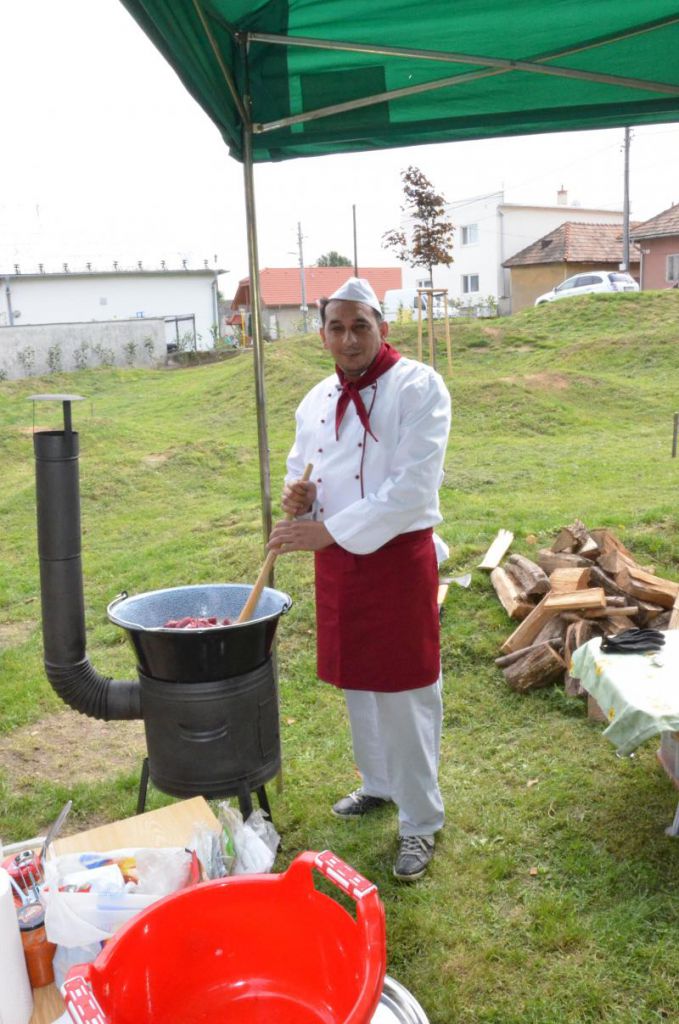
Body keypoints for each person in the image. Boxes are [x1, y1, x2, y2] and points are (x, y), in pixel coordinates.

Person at [267, 276, 451, 881]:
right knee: (359, 685)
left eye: (360, 326)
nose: (349, 339)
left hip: (396, 559)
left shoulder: (419, 387)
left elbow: (412, 489)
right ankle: (378, 783)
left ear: (383, 328)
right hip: (340, 561)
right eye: (337, 328)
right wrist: (301, 499)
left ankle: (420, 819)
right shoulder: (316, 399)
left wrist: (327, 531)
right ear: (323, 335)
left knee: (405, 691)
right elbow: (305, 469)